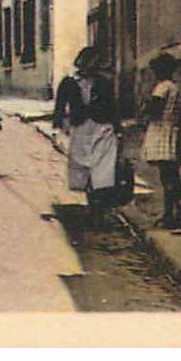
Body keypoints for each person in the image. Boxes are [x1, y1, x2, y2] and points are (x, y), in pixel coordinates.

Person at [55, 45, 120, 227]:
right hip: (81, 128)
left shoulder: (104, 83)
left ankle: (98, 210)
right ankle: (91, 205)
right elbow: (60, 107)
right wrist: (58, 128)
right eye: (91, 62)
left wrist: (118, 129)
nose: (93, 65)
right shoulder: (69, 82)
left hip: (102, 128)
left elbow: (112, 107)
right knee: (83, 166)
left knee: (103, 169)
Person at [140, 52, 181, 231]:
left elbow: (154, 110)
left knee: (166, 175)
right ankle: (177, 211)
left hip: (160, 131)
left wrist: (144, 109)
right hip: (173, 130)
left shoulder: (161, 88)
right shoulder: (177, 88)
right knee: (172, 174)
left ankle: (169, 215)